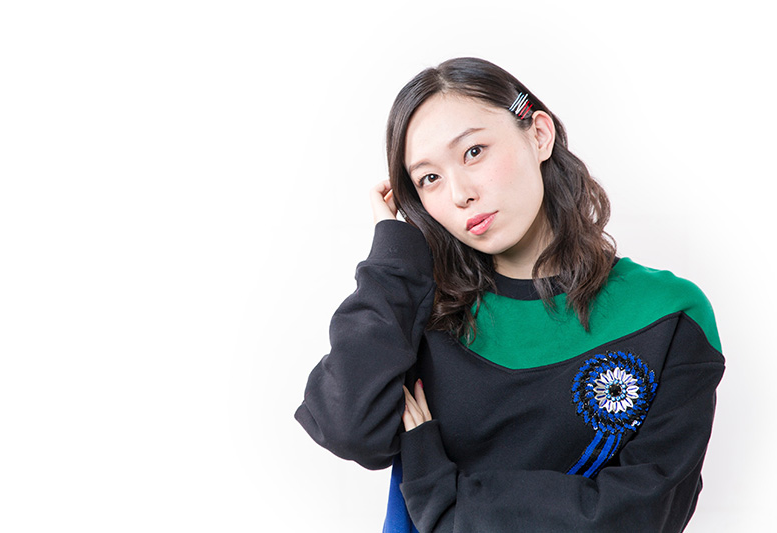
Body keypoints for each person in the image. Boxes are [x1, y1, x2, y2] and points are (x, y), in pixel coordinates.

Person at [294, 57, 725, 532]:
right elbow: (349, 429)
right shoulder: (424, 310)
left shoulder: (668, 315)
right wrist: (393, 258)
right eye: (429, 178)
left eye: (474, 151)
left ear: (539, 134)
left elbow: (645, 514)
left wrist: (442, 497)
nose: (460, 193)